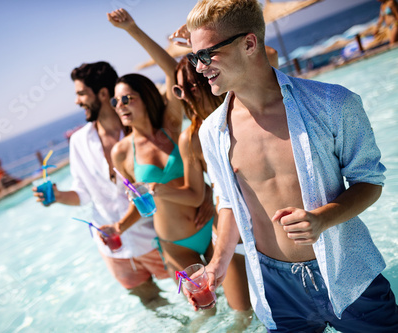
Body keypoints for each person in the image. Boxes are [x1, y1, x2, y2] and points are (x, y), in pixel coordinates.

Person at [185, 0, 398, 331]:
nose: (199, 67)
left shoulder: (333, 103)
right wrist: (217, 266)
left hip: (347, 271)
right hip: (277, 289)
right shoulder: (212, 131)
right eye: (193, 57)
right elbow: (228, 202)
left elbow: (369, 182)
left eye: (206, 54)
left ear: (249, 43)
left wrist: (322, 219)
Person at [33, 61, 169, 302]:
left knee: (191, 301)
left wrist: (119, 227)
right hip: (114, 249)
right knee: (152, 305)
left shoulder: (138, 130)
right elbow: (83, 194)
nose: (77, 101)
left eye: (81, 93)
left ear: (104, 94)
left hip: (156, 238)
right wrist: (57, 195)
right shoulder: (78, 141)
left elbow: (150, 190)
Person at [107, 9, 214, 281]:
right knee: (206, 316)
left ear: (145, 98)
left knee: (243, 306)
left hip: (210, 224)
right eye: (115, 102)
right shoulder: (121, 153)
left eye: (127, 99)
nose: (120, 106)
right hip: (175, 244)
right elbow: (141, 198)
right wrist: (118, 227)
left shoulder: (170, 126)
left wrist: (133, 29)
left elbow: (172, 69)